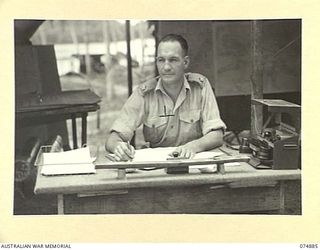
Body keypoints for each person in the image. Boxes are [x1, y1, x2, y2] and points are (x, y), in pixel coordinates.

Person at [105, 34, 226, 161]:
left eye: (173, 60)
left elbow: (217, 135)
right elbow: (113, 138)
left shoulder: (200, 86)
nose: (166, 67)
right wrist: (118, 147)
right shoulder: (144, 93)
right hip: (157, 169)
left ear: (185, 62)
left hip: (195, 163)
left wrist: (192, 147)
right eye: (161, 60)